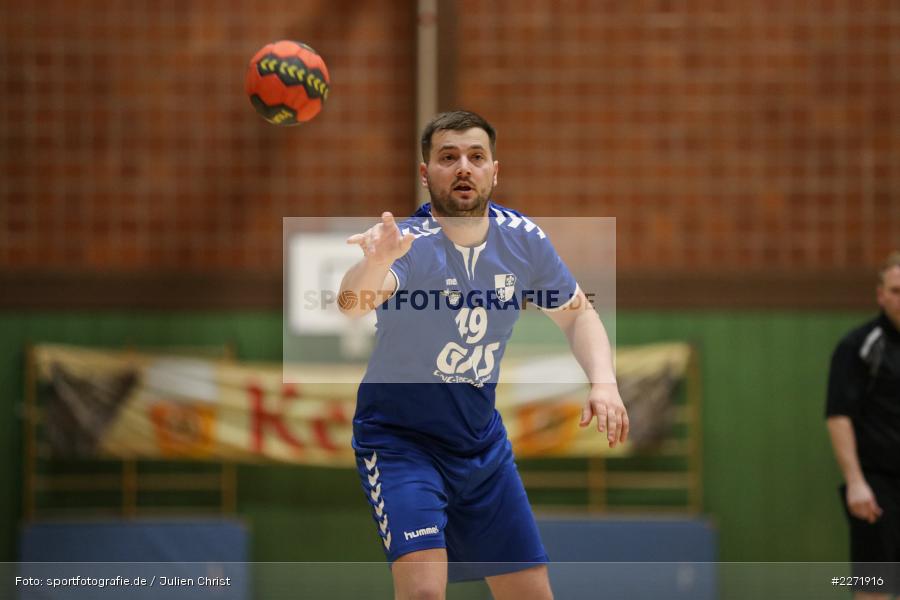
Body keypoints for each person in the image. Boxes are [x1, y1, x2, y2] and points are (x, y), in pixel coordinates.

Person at [339, 110, 627, 600]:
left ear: (496, 170)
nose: (464, 168)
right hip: (401, 445)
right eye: (448, 157)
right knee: (425, 593)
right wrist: (376, 262)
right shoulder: (411, 242)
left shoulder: (524, 239)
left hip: (480, 447)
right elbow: (351, 305)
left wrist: (604, 382)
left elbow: (579, 315)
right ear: (426, 174)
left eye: (476, 156)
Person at [826, 251, 900, 600]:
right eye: (897, 290)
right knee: (874, 586)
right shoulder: (858, 347)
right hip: (877, 485)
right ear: (881, 294)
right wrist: (856, 482)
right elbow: (839, 415)